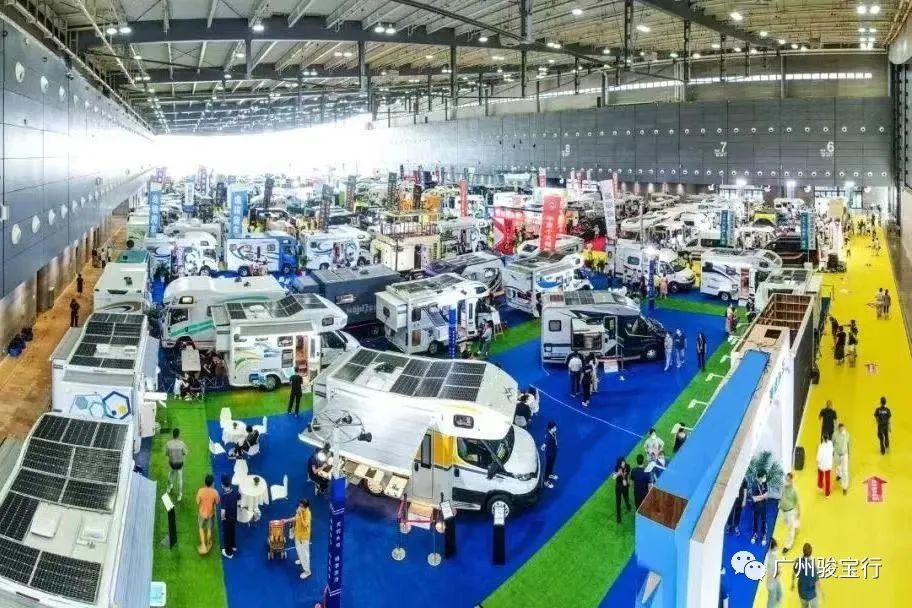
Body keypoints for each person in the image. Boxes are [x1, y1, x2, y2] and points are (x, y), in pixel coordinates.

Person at [285, 499, 312, 579]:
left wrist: (300, 515)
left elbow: (305, 525)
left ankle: (307, 571)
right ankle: (301, 560)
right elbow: (296, 518)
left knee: (304, 554)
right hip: (298, 534)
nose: (299, 507)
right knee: (298, 550)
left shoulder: (308, 514)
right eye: (299, 505)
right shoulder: (300, 510)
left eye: (301, 506)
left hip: (303, 538)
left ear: (305, 507)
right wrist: (286, 520)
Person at [792, 543, 822, 607]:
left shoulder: (797, 561)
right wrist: (822, 592)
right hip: (812, 595)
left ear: (803, 551)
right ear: (811, 553)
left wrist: (792, 584)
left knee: (804, 605)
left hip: (802, 593)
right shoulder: (813, 566)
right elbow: (817, 582)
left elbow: (794, 573)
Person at [196, 474, 220, 555]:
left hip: (202, 513)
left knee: (201, 528)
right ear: (212, 483)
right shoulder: (215, 492)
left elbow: (197, 502)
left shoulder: (200, 491)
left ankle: (203, 546)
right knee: (209, 529)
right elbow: (217, 502)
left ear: (205, 482)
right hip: (210, 514)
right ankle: (208, 543)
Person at [779, 473, 800, 554]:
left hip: (790, 511)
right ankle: (796, 526)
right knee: (788, 524)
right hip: (783, 511)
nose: (786, 481)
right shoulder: (783, 488)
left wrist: (798, 512)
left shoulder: (794, 490)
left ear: (791, 480)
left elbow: (797, 502)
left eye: (788, 480)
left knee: (790, 530)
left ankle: (788, 545)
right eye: (786, 479)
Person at [165, 428, 188, 501]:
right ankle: (179, 494)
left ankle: (169, 487)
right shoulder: (182, 443)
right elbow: (185, 452)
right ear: (178, 435)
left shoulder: (168, 443)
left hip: (172, 463)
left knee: (170, 476)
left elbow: (166, 453)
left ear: (173, 435)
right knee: (180, 479)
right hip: (179, 464)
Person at [220, 474, 238, 558]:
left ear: (222, 485)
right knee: (232, 531)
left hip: (227, 519)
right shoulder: (234, 491)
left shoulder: (224, 496)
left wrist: (222, 518)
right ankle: (233, 546)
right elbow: (239, 497)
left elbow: (223, 511)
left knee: (227, 535)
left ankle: (229, 553)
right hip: (234, 517)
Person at [750, 470, 769, 546]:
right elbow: (754, 499)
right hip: (756, 507)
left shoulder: (765, 483)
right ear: (760, 477)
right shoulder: (754, 485)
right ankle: (755, 534)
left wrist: (760, 497)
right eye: (764, 477)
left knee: (763, 521)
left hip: (763, 506)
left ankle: (764, 535)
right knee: (756, 521)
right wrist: (763, 496)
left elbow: (767, 495)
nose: (765, 478)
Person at [765, 538, 784, 608]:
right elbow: (773, 573)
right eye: (776, 546)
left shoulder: (773, 554)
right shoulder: (769, 558)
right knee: (772, 600)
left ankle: (777, 604)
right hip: (771, 583)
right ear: (773, 547)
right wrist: (778, 572)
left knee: (780, 593)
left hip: (776, 580)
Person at [833, 423, 850, 495]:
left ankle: (845, 487)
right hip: (837, 454)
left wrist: (849, 453)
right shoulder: (835, 434)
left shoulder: (847, 435)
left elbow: (848, 444)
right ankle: (839, 475)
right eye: (840, 429)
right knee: (837, 466)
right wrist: (833, 452)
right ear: (838, 429)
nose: (841, 430)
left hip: (844, 454)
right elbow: (833, 443)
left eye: (842, 429)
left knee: (845, 471)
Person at [540, 422, 559, 488]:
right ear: (551, 429)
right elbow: (544, 444)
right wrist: (543, 447)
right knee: (547, 467)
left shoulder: (553, 433)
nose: (556, 428)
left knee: (551, 465)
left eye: (555, 427)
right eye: (554, 427)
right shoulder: (548, 437)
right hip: (549, 454)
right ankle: (545, 481)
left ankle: (550, 475)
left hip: (553, 453)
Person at [613, 457, 631, 523]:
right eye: (622, 463)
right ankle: (618, 517)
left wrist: (628, 482)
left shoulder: (627, 466)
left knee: (626, 497)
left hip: (625, 486)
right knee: (618, 502)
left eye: (624, 462)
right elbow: (613, 477)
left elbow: (629, 475)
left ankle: (628, 506)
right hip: (618, 487)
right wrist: (618, 473)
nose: (623, 463)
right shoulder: (617, 468)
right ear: (619, 464)